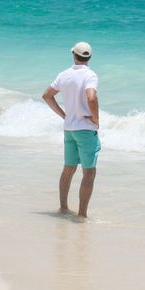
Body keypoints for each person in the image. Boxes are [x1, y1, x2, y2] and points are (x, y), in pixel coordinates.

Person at [41, 42, 101, 219]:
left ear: (73, 55)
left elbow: (47, 96)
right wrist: (96, 119)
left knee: (68, 169)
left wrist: (64, 115)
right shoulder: (90, 75)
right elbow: (91, 97)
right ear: (89, 57)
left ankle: (63, 208)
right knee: (89, 172)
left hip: (69, 129)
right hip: (85, 130)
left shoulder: (64, 74)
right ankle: (82, 215)